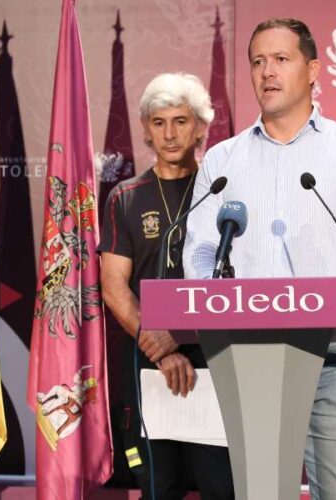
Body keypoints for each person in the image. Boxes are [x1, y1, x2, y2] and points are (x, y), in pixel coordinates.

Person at [181, 17, 336, 500]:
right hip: (249, 355)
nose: (267, 72)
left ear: (314, 69)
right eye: (258, 61)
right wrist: (214, 301)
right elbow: (199, 249)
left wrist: (330, 310)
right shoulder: (222, 161)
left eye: (281, 59)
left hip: (332, 355)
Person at [99, 72, 234, 500]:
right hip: (150, 364)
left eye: (180, 120)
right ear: (146, 130)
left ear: (200, 127)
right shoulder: (126, 196)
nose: (171, 133)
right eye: (159, 123)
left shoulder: (223, 193)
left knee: (221, 485)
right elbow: (113, 286)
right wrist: (159, 343)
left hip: (216, 362)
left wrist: (183, 339)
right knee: (159, 486)